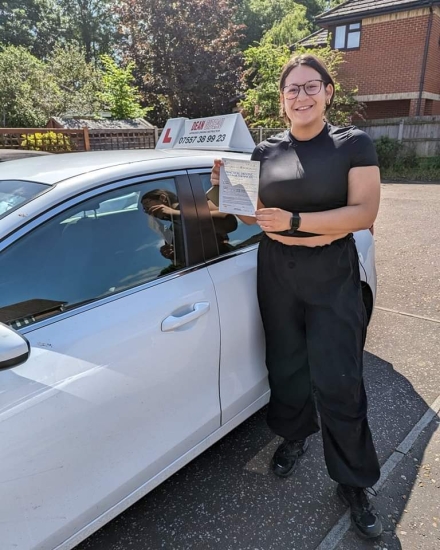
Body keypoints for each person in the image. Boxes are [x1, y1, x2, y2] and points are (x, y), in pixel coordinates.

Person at [210, 54, 383, 540]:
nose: (301, 96)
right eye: (292, 90)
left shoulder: (353, 144)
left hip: (331, 270)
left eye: (311, 87)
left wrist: (297, 222)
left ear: (328, 92)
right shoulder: (265, 151)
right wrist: (226, 190)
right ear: (282, 99)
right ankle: (294, 435)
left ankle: (353, 480)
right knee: (285, 363)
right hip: (278, 270)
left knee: (339, 376)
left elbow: (363, 212)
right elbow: (250, 217)